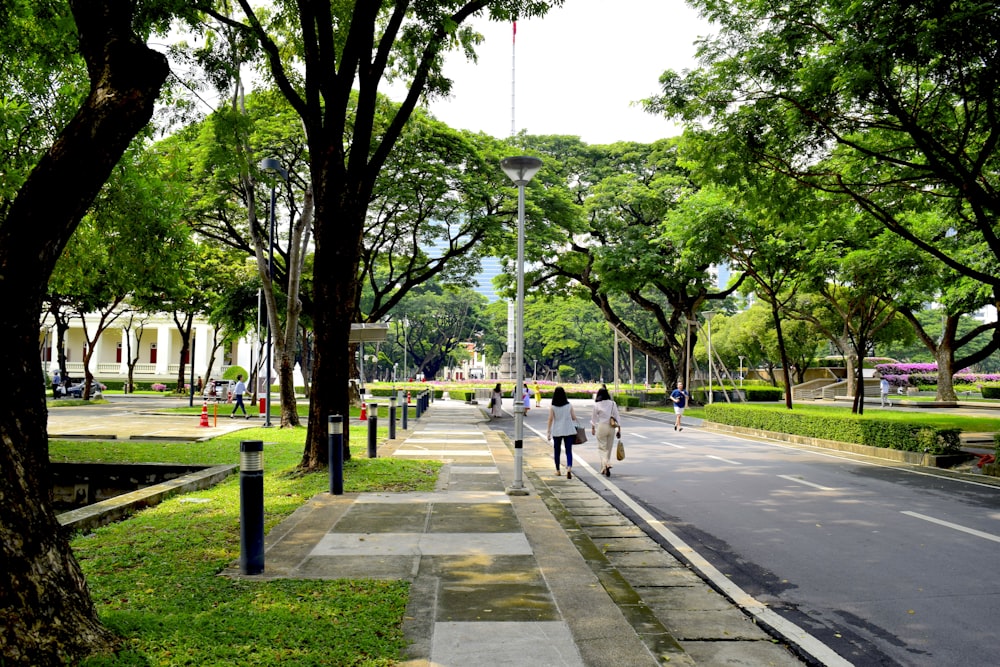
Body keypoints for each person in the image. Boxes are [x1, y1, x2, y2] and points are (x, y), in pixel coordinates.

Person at [546, 386, 579, 479]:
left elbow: (550, 419)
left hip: (557, 431)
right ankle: (569, 467)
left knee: (557, 451)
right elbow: (573, 417)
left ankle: (558, 470)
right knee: (568, 450)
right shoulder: (569, 405)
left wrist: (548, 432)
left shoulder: (553, 407)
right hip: (569, 430)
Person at [590, 386, 621, 477]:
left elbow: (594, 418)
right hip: (611, 427)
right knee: (608, 448)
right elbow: (617, 416)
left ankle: (606, 463)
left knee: (601, 448)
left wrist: (593, 428)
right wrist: (619, 428)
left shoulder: (597, 405)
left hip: (601, 426)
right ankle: (604, 467)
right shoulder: (612, 404)